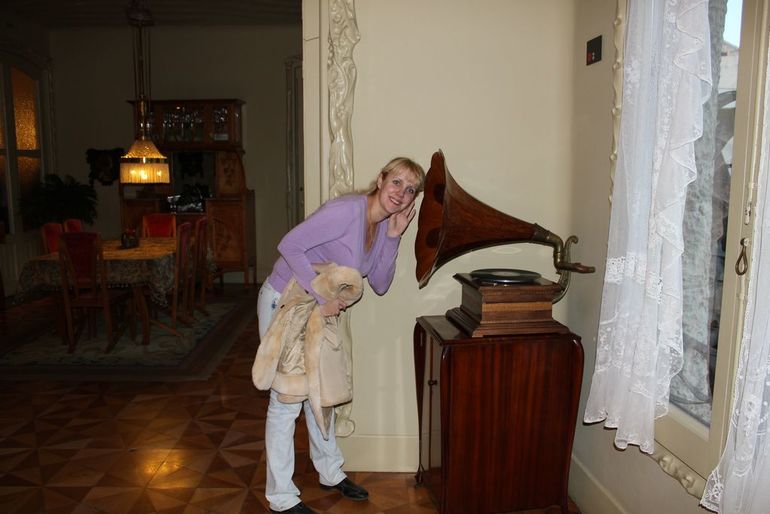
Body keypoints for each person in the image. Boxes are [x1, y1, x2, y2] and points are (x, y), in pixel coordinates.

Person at [257, 157, 425, 514]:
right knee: (286, 400)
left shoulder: (382, 225)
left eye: (411, 189)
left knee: (321, 394)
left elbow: (380, 283)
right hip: (284, 302)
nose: (402, 193)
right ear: (380, 179)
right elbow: (289, 245)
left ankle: (330, 472)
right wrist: (322, 295)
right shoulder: (348, 210)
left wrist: (393, 236)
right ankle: (281, 499)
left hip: (316, 310)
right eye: (397, 182)